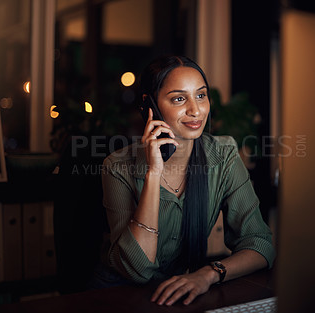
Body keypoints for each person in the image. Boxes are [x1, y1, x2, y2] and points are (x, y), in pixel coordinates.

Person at [98, 55, 275, 306]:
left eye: (201, 95)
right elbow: (137, 271)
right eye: (179, 98)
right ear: (151, 107)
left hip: (182, 292)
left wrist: (209, 274)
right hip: (118, 297)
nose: (196, 110)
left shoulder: (223, 155)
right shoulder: (117, 167)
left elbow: (261, 245)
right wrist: (153, 173)